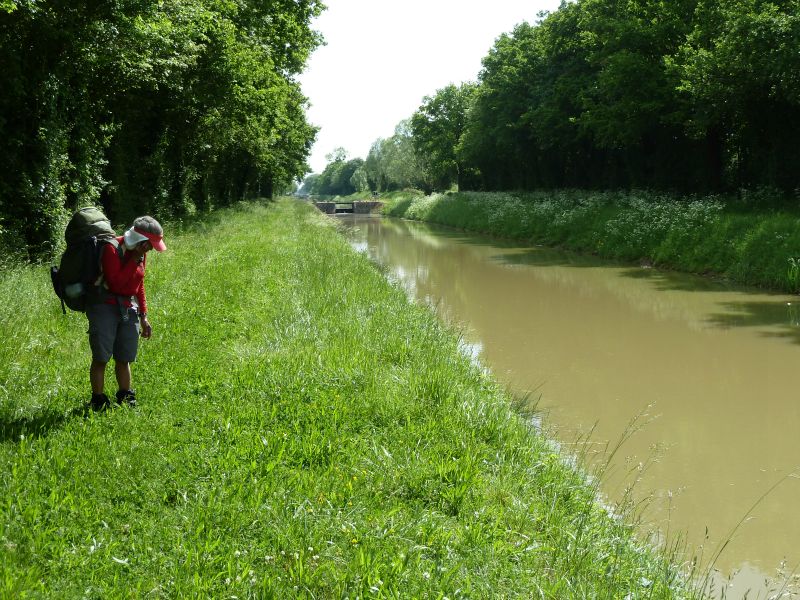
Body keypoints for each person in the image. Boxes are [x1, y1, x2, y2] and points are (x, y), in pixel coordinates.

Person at [87, 216, 166, 410]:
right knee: (101, 356)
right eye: (149, 245)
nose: (151, 249)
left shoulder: (140, 253)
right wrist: (132, 259)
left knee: (125, 356)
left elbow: (138, 284)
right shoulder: (111, 249)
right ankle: (98, 399)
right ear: (139, 240)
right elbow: (116, 283)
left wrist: (144, 316)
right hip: (104, 305)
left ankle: (125, 395)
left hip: (128, 307)